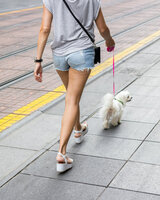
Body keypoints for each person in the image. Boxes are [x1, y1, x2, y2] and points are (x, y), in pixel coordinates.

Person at [34, 0, 115, 173]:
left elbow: (44, 29)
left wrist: (38, 60)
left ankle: (78, 129)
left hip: (59, 55)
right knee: (72, 100)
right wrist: (109, 41)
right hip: (82, 52)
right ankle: (61, 154)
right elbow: (102, 28)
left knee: (71, 96)